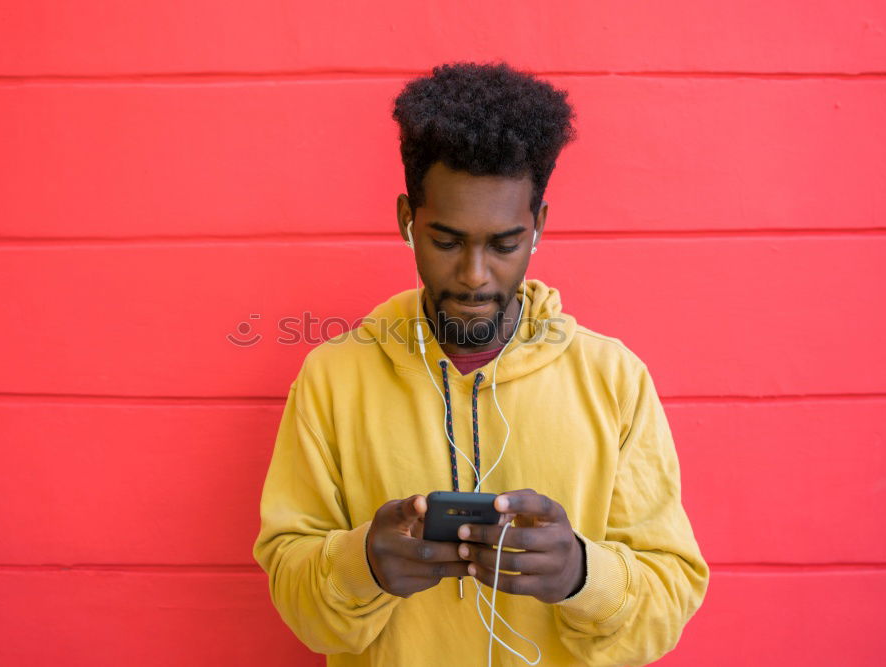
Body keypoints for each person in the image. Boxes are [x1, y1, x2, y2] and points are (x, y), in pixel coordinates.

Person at [253, 62, 708, 666]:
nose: (473, 276)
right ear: (406, 222)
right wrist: (360, 563)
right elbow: (298, 599)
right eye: (445, 241)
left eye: (503, 244)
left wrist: (580, 572)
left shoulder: (614, 379)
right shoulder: (332, 378)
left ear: (538, 226)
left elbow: (669, 599)